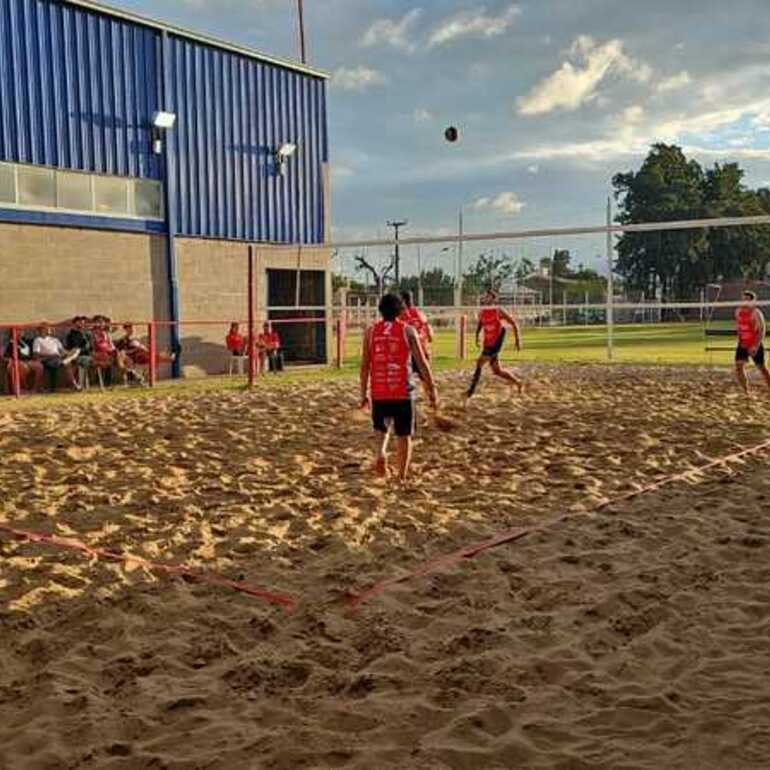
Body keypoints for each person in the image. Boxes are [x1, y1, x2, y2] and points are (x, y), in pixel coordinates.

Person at [360, 293, 438, 482]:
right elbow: (422, 363)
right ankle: (401, 477)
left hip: (379, 390)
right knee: (404, 435)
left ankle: (380, 453)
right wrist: (432, 388)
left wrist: (363, 393)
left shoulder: (370, 332)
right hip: (403, 391)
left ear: (380, 310)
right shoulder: (408, 331)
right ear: (401, 310)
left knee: (381, 428)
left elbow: (364, 366)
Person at [466, 289, 523, 401]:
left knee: (479, 363)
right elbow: (480, 325)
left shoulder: (498, 311)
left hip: (497, 342)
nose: (485, 298)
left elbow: (513, 323)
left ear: (493, 299)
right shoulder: (482, 312)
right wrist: (476, 337)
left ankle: (470, 391)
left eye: (488, 297)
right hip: (487, 343)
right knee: (497, 371)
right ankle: (518, 382)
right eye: (485, 296)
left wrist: (517, 340)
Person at [735, 290, 770, 397]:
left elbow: (762, 330)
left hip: (754, 343)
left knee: (762, 368)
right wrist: (740, 341)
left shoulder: (756, 313)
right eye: (743, 299)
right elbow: (739, 328)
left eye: (746, 299)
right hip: (743, 343)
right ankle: (746, 392)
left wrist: (756, 345)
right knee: (739, 366)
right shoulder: (738, 312)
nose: (744, 301)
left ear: (752, 301)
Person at [32, 323, 78, 392]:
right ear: (42, 330)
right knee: (65, 363)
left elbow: (62, 351)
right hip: (47, 359)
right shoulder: (38, 340)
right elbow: (36, 354)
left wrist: (71, 352)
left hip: (57, 358)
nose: (49, 329)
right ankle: (73, 384)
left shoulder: (55, 340)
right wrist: (52, 355)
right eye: (47, 328)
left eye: (49, 328)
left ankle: (73, 384)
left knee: (68, 363)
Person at [401, 290, 434, 361]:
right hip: (423, 349)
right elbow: (429, 332)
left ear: (403, 301)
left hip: (410, 352)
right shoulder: (420, 314)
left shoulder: (401, 316)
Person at [65, 316, 94, 389]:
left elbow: (89, 348)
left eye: (83, 323)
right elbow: (68, 347)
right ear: (74, 324)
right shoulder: (70, 335)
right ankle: (75, 384)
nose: (81, 325)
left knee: (77, 355)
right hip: (73, 354)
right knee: (68, 365)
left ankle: (78, 385)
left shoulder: (87, 334)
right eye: (79, 323)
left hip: (85, 355)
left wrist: (79, 349)